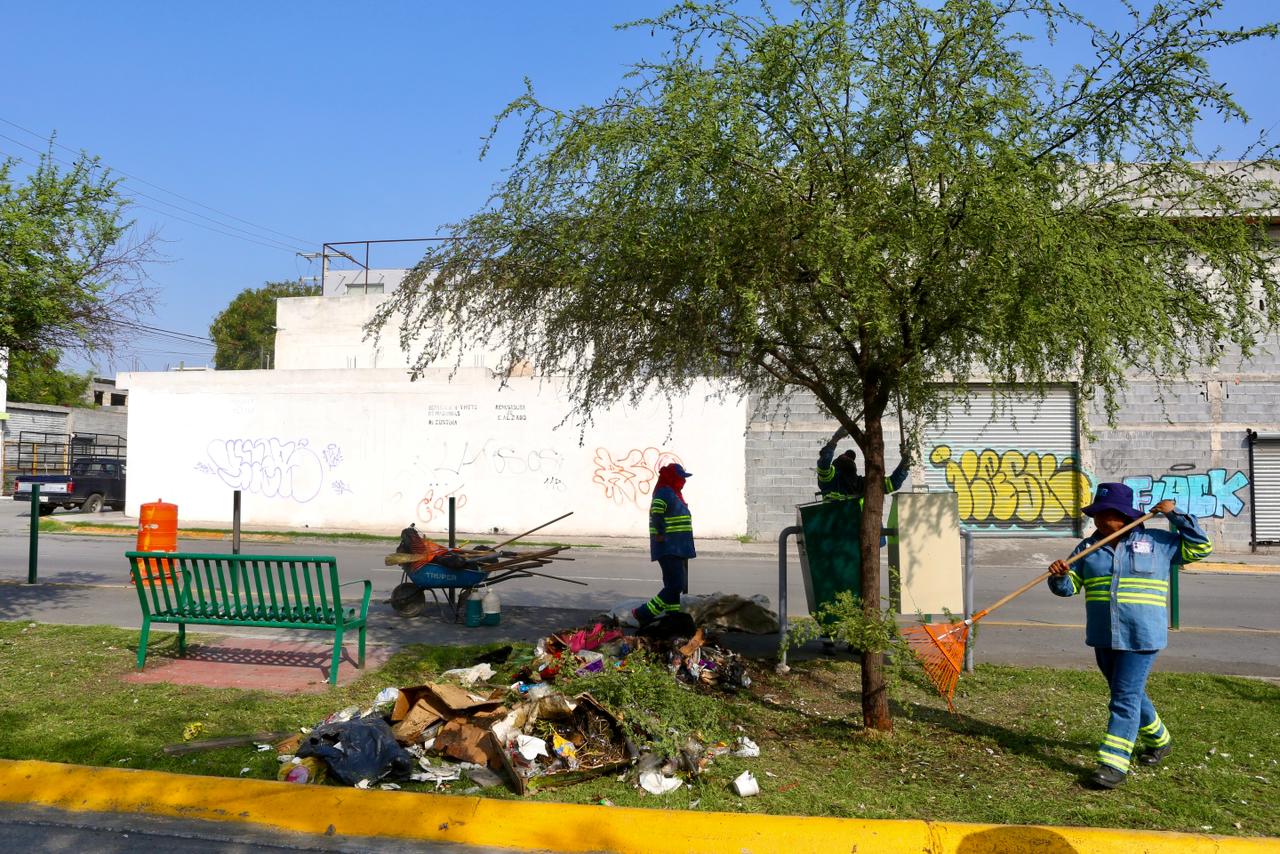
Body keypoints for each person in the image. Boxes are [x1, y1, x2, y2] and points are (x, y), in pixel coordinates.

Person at [1047, 483, 1213, 789]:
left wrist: (1175, 516)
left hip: (1142, 637)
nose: (1098, 520)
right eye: (1095, 514)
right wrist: (1059, 576)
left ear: (1122, 515)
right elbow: (1070, 587)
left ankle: (1113, 764)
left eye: (1104, 514)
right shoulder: (1087, 548)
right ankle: (1160, 740)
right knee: (1130, 693)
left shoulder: (1159, 542)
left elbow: (1202, 547)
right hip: (1103, 636)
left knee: (1123, 698)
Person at [633, 462, 696, 627]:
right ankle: (643, 613)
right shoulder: (664, 493)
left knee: (672, 584)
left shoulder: (673, 493)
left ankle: (672, 615)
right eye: (681, 477)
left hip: (677, 547)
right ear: (672, 478)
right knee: (677, 584)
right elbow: (657, 511)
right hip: (669, 547)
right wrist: (659, 533)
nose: (683, 481)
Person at [816, 425, 910, 502]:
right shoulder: (829, 480)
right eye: (845, 456)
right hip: (837, 524)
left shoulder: (862, 484)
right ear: (835, 463)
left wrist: (905, 461)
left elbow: (893, 483)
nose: (849, 458)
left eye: (851, 458)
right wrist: (835, 438)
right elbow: (824, 463)